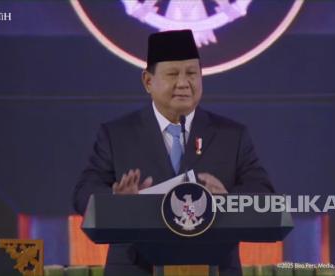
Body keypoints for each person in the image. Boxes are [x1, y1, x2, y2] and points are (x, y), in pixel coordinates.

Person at [73, 29, 274, 276]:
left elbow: (264, 195)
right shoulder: (117, 134)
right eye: (172, 74)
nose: (183, 83)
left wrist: (230, 201)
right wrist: (114, 199)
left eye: (192, 73)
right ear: (148, 81)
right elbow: (83, 194)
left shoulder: (231, 135)